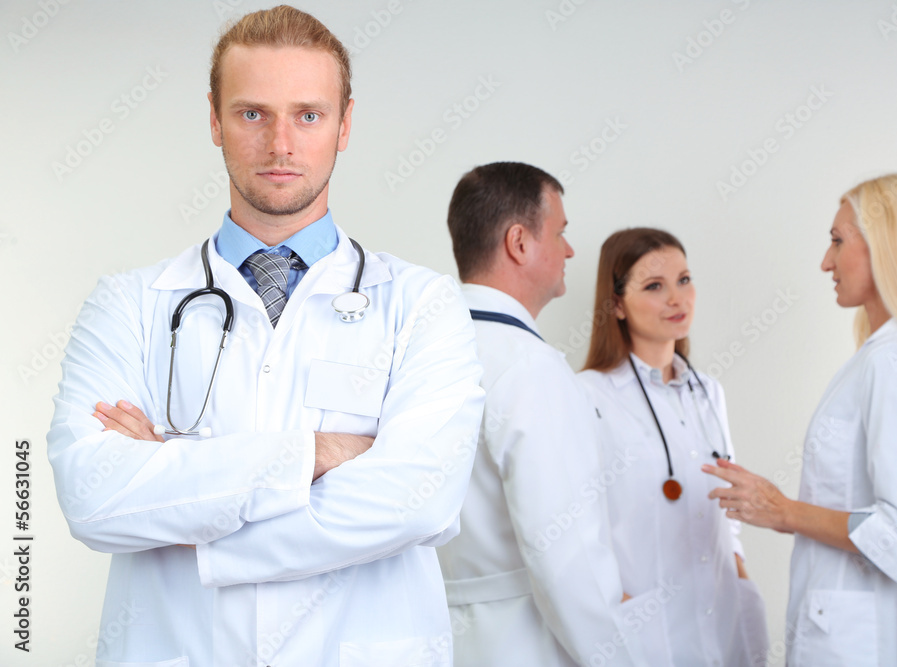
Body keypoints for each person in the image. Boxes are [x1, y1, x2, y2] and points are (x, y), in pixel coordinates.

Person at [47, 6, 485, 666]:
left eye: (307, 114)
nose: (280, 142)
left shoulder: (422, 304)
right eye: (253, 113)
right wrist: (313, 452)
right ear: (215, 119)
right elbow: (92, 496)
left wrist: (185, 501)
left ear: (344, 124)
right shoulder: (128, 303)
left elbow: (418, 501)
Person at [702, 173, 897, 665]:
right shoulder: (884, 355)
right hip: (861, 631)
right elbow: (862, 507)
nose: (825, 261)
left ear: (886, 247)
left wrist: (785, 510)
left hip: (865, 643)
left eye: (837, 241)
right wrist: (778, 511)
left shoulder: (893, 360)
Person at [436, 162, 647, 667]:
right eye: (561, 232)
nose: (570, 249)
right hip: (522, 643)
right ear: (519, 243)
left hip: (433, 636)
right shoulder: (532, 369)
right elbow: (564, 553)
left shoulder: (417, 351)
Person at [577, 228, 769, 666]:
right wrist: (624, 608)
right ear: (617, 304)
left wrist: (742, 579)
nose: (677, 299)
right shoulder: (587, 396)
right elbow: (579, 528)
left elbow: (729, 512)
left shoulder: (708, 393)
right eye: (654, 286)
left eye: (684, 280)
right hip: (648, 638)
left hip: (724, 626)